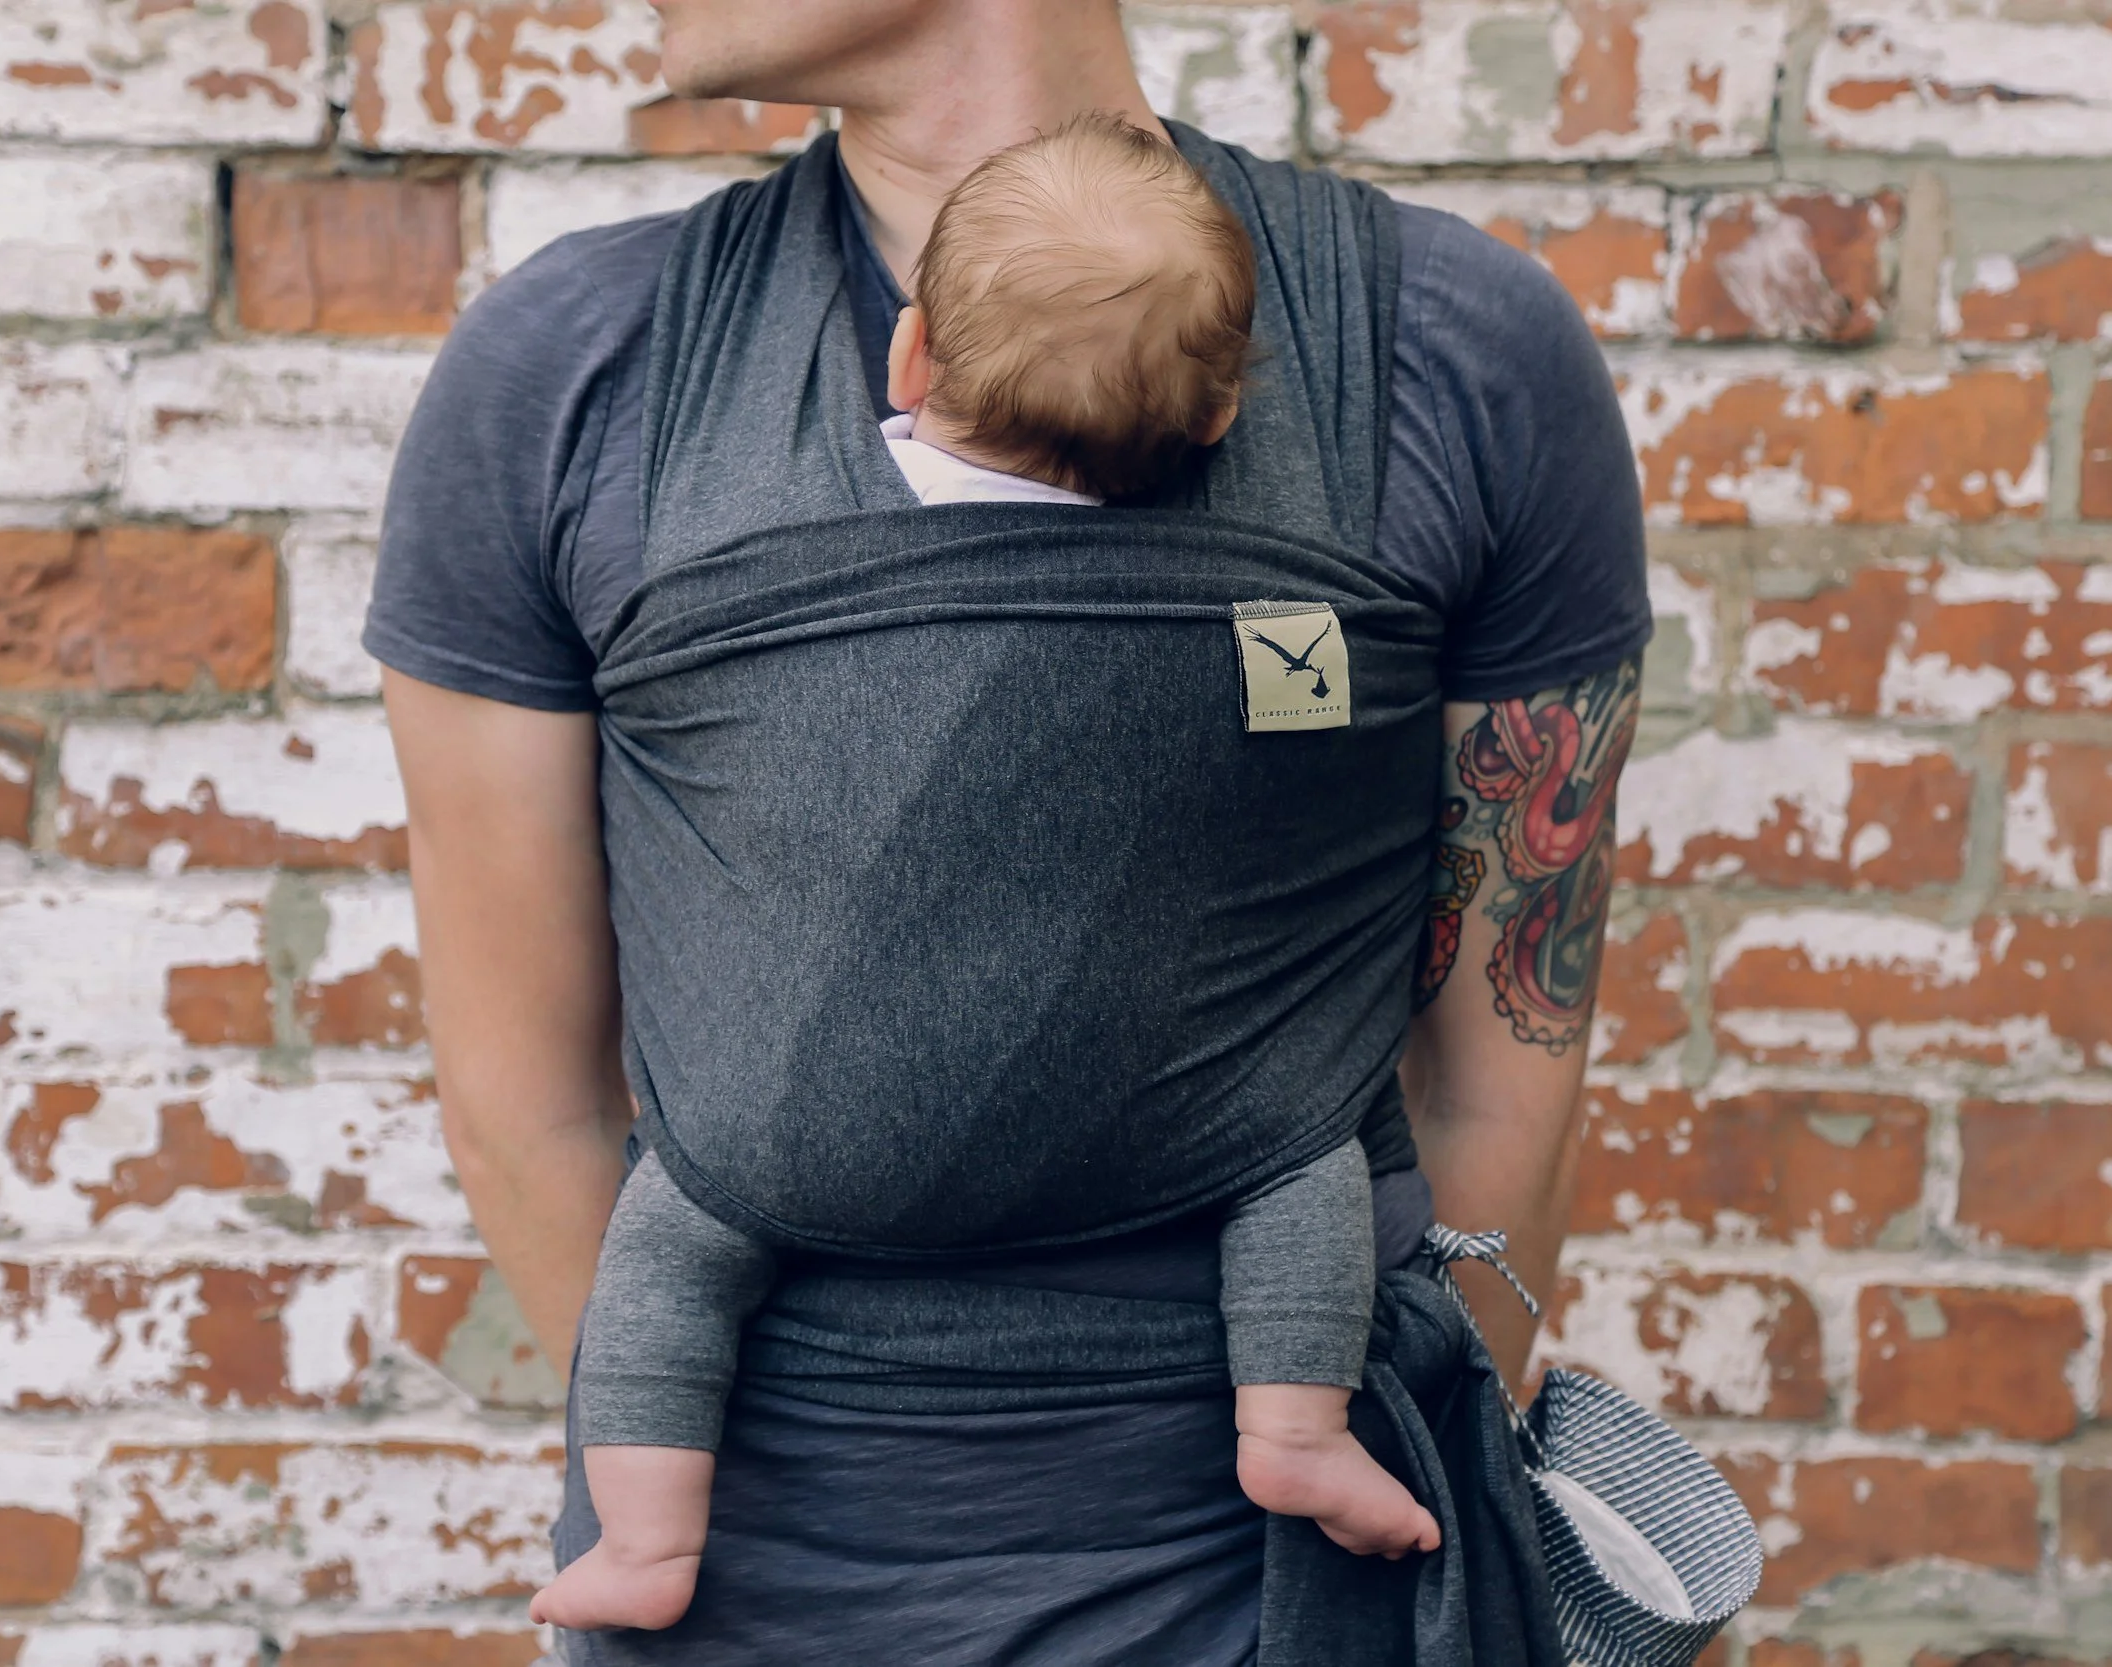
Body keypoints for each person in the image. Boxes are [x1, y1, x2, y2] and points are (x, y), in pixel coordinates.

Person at [369, 2, 1649, 1660]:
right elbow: (523, 1097)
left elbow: (1504, 1072)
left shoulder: (1440, 350)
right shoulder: (575, 369)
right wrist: (701, 1494)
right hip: (764, 1583)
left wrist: (1385, 1463)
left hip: (1283, 1586)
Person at [527, 112, 1441, 1637]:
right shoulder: (1273, 588)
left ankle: (643, 1531)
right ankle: (1293, 1433)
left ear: (909, 362)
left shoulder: (799, 532)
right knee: (1304, 1162)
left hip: (796, 1135)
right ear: (1219, 426)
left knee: (674, 1241)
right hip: (1183, 1128)